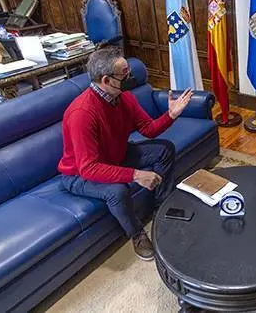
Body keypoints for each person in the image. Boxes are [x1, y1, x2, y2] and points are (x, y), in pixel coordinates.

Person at [58, 46, 193, 261]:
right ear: (106, 80)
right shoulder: (82, 114)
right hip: (79, 175)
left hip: (115, 156)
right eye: (124, 74)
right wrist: (136, 175)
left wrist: (171, 114)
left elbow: (148, 129)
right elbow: (89, 167)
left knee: (164, 149)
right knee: (117, 191)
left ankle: (161, 208)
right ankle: (137, 235)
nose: (131, 77)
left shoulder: (124, 97)